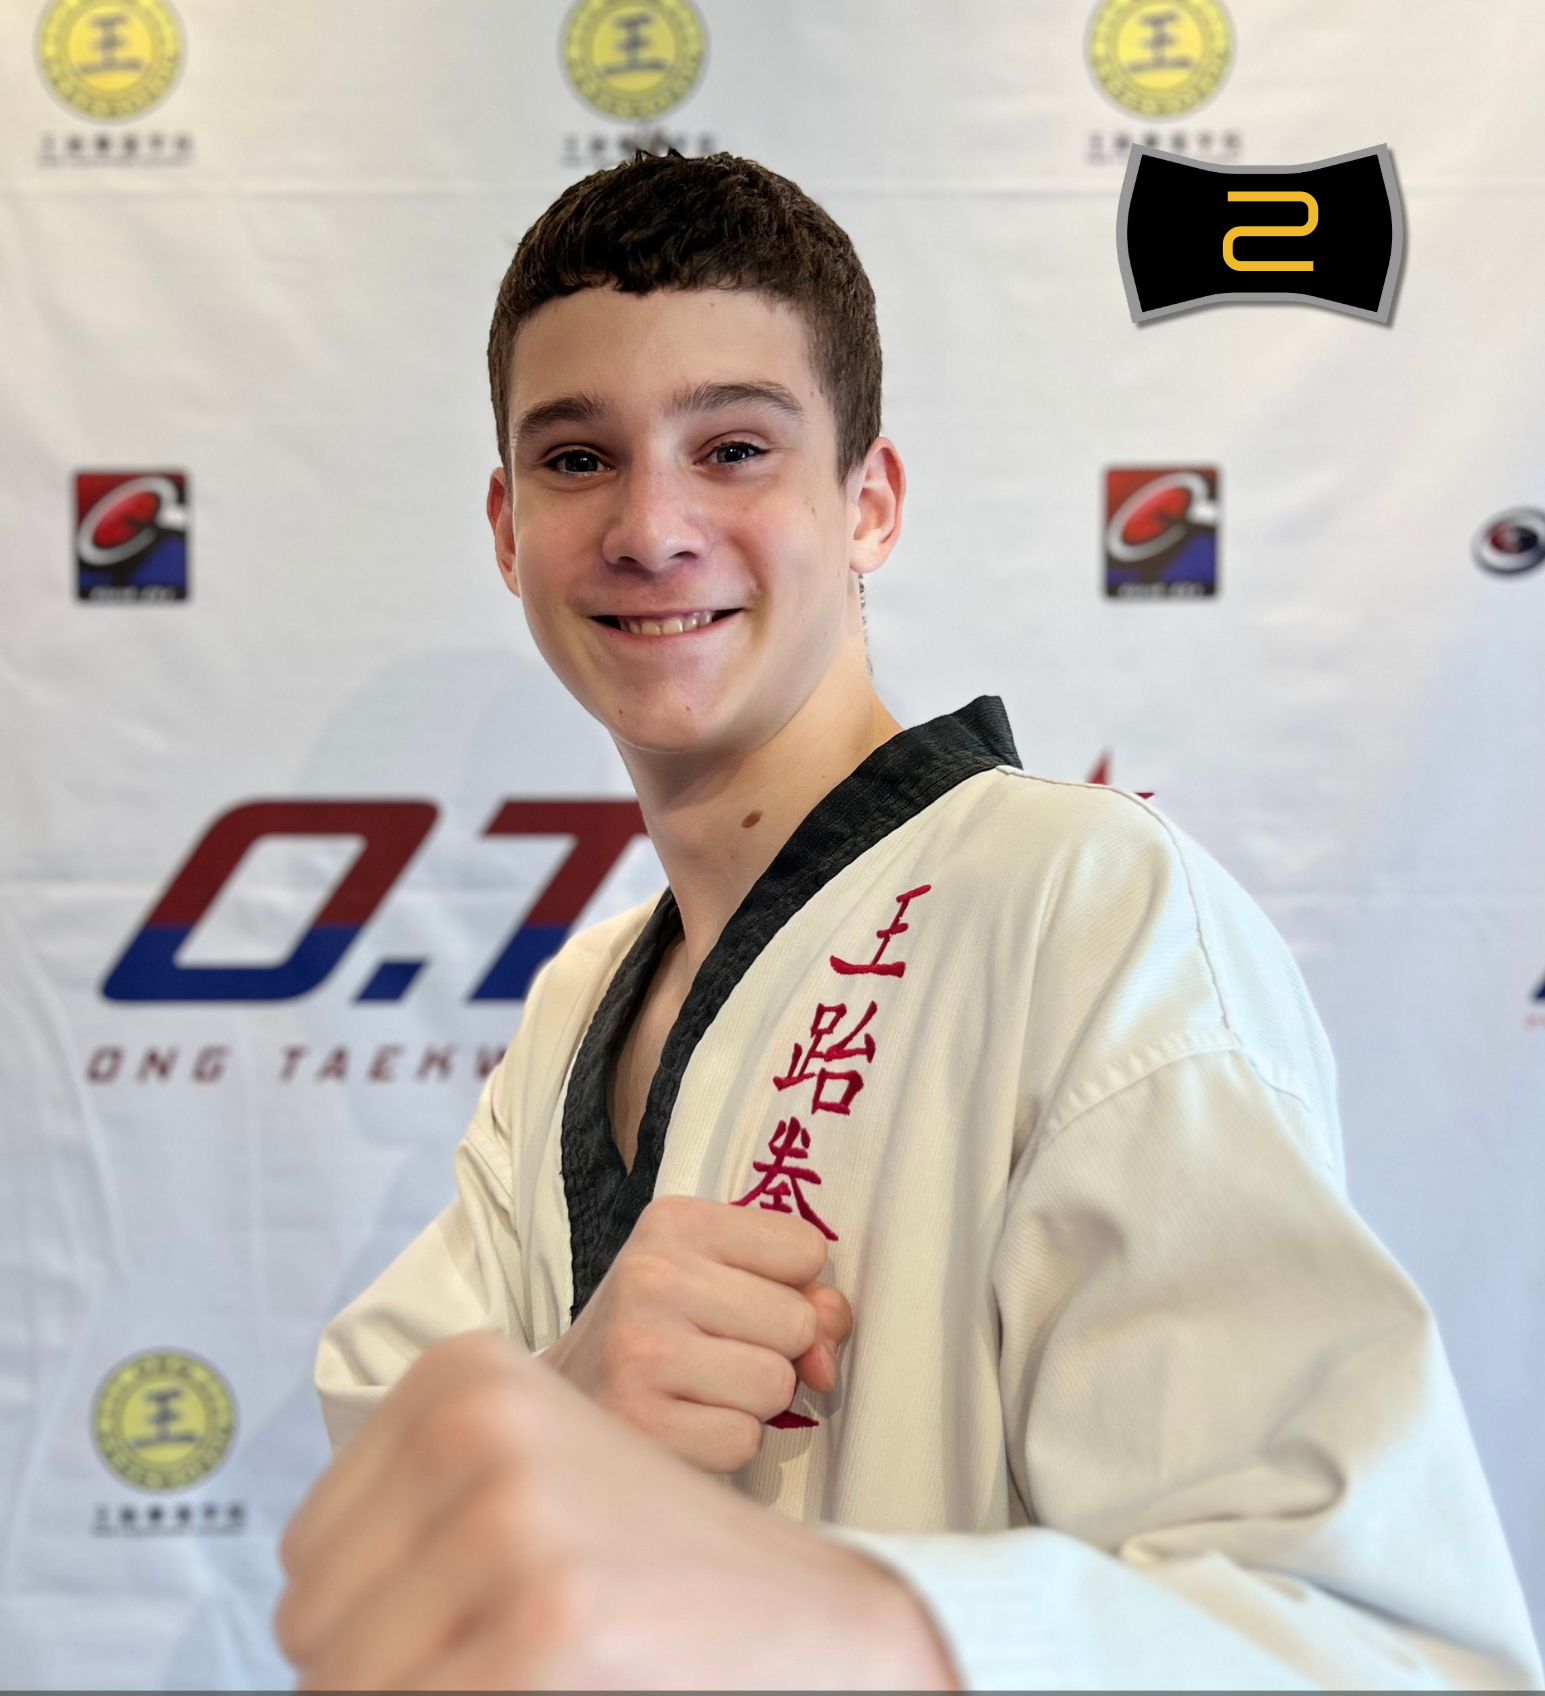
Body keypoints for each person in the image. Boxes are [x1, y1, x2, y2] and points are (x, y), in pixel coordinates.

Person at [274, 152, 1541, 1689]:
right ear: (506, 527)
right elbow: (395, 1528)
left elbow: (1377, 1644)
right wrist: (565, 1412)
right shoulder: (579, 999)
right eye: (577, 458)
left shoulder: (1080, 903)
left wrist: (834, 1617)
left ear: (867, 502)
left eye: (734, 447)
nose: (653, 525)